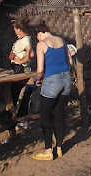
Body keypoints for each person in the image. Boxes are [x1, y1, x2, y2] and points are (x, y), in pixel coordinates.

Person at [32, 20, 73, 161]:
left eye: (37, 36)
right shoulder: (61, 40)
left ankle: (48, 150)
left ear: (39, 34)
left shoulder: (41, 44)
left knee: (45, 115)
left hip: (52, 81)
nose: (37, 39)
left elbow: (40, 69)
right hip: (67, 79)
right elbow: (70, 62)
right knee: (59, 113)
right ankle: (59, 148)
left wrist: (38, 79)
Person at [9, 18, 35, 122]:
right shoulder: (23, 39)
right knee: (15, 94)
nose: (14, 30)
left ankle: (18, 117)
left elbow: (31, 53)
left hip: (20, 68)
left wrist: (21, 61)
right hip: (17, 67)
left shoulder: (25, 40)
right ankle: (18, 116)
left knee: (15, 94)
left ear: (19, 29)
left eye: (15, 28)